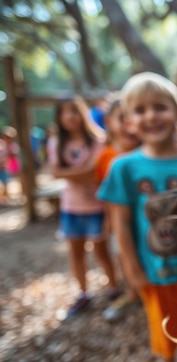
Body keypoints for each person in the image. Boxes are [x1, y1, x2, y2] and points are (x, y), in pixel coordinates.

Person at [97, 72, 177, 362]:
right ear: (129, 121)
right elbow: (120, 225)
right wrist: (131, 270)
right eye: (140, 110)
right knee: (163, 327)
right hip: (153, 270)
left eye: (159, 107)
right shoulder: (123, 168)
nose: (150, 116)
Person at [47, 96, 120, 317]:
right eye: (65, 112)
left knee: (102, 251)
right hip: (71, 208)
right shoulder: (56, 144)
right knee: (75, 251)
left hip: (97, 207)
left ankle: (114, 288)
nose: (70, 116)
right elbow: (56, 172)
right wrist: (85, 172)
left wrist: (72, 174)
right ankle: (83, 293)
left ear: (83, 113)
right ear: (59, 117)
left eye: (74, 111)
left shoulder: (98, 140)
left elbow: (93, 172)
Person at [95, 96, 142, 321]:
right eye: (121, 118)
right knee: (122, 254)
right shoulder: (107, 156)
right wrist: (107, 220)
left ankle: (144, 291)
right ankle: (131, 292)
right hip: (118, 218)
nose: (128, 124)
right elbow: (105, 194)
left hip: (144, 219)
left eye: (131, 117)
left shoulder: (148, 154)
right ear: (109, 122)